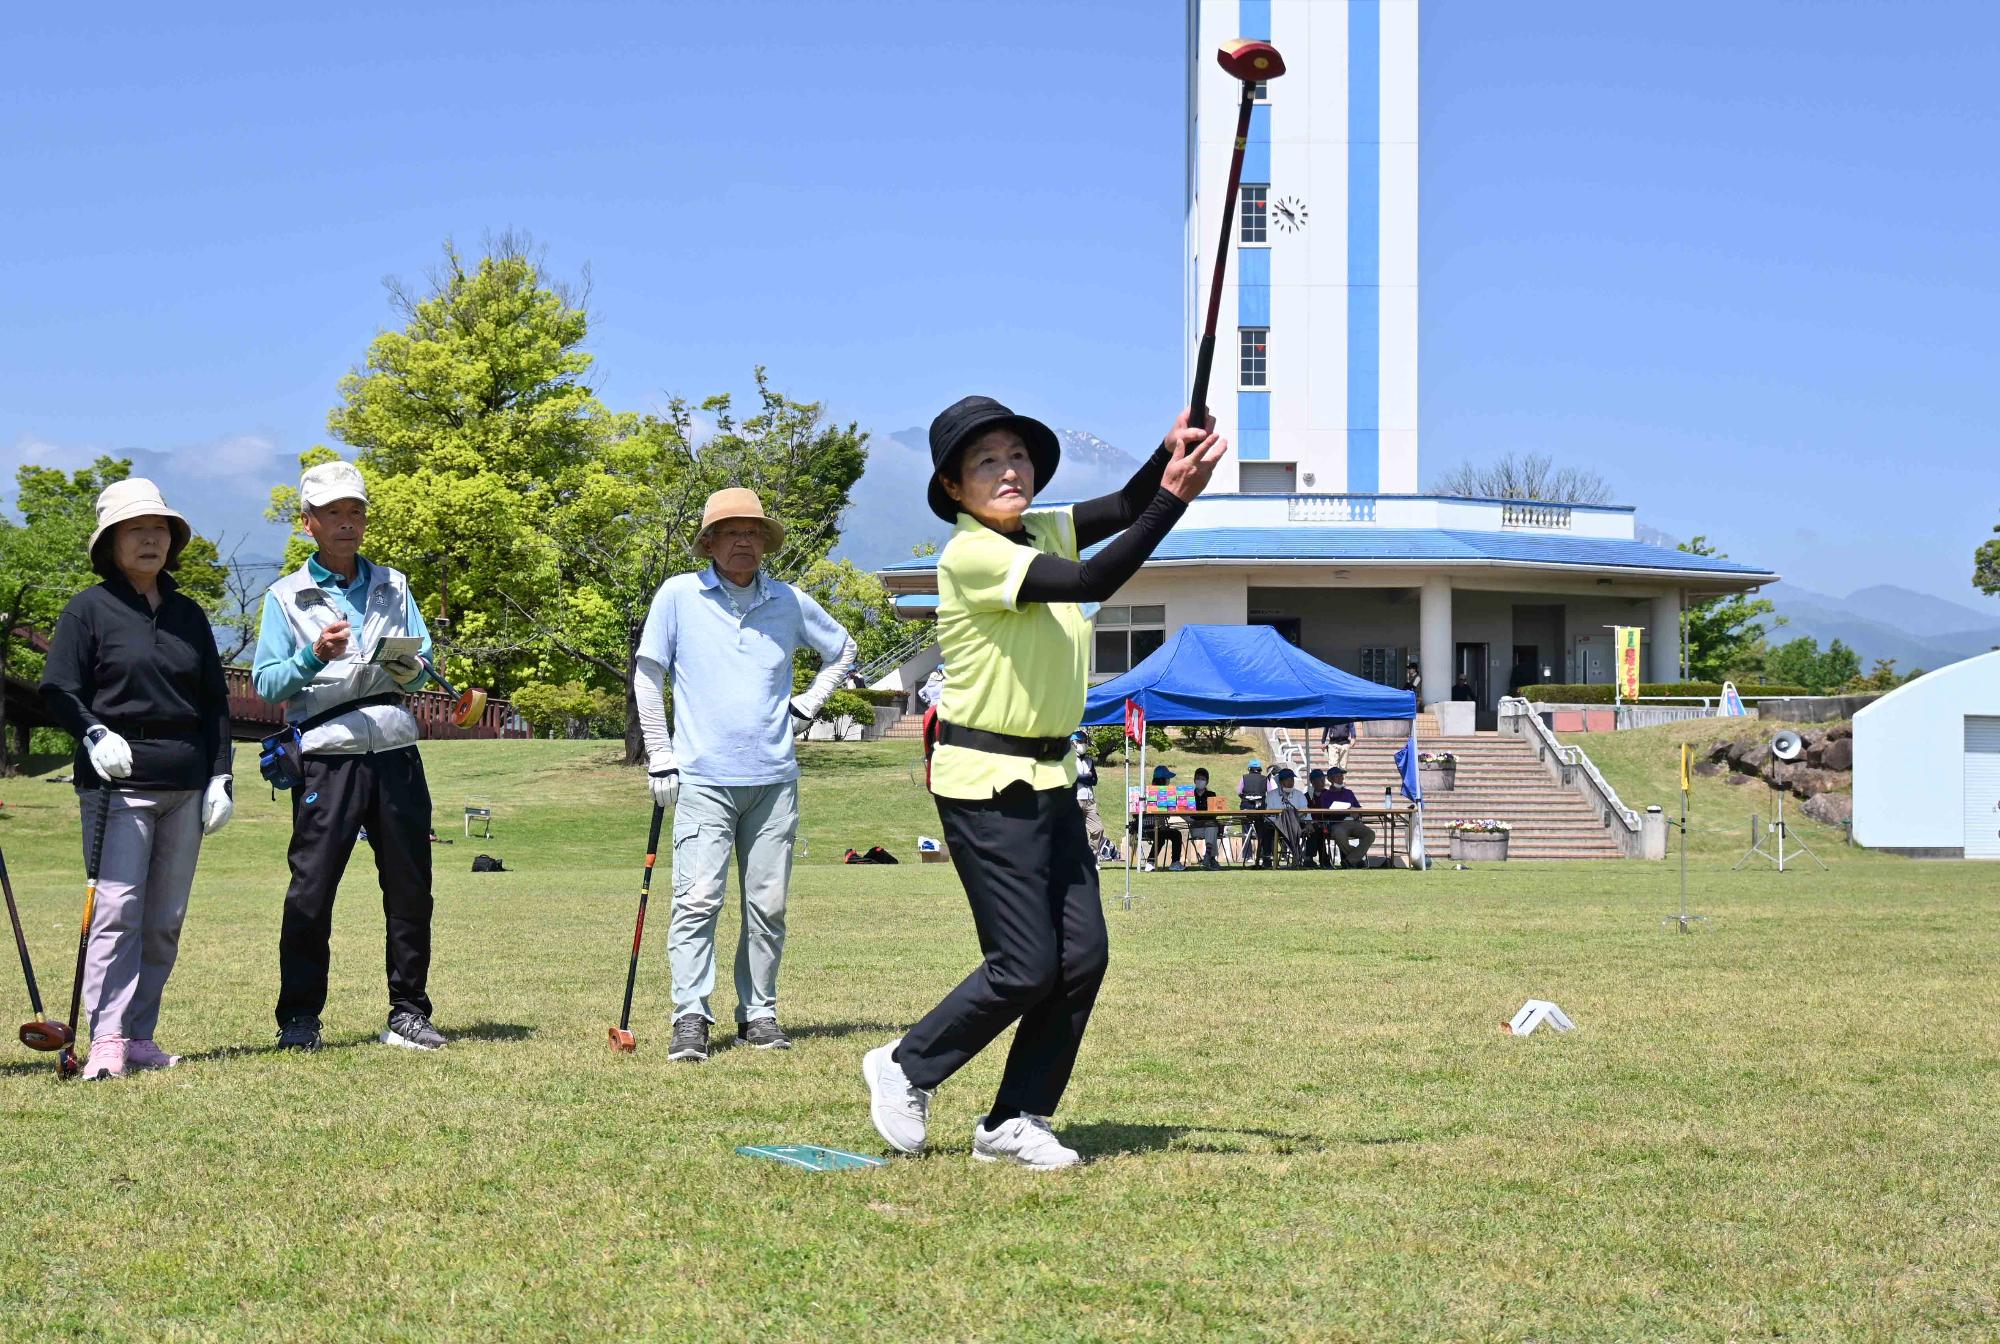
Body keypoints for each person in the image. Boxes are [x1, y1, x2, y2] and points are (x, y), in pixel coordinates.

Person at [863, 394, 1225, 1169]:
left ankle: (1012, 1121)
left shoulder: (1039, 528)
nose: (1008, 469)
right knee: (1024, 965)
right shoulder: (972, 553)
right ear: (954, 489)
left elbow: (1125, 505)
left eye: (1017, 455)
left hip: (1051, 776)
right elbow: (1095, 578)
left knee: (1082, 956)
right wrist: (1176, 500)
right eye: (985, 461)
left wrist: (1168, 452)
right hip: (985, 780)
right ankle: (904, 1064)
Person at [634, 488, 857, 1063]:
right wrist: (660, 753)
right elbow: (647, 675)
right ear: (709, 542)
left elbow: (843, 650)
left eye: (753, 532)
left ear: (764, 543)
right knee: (697, 899)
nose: (743, 541)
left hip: (773, 778)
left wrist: (809, 704)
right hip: (703, 776)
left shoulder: (787, 600)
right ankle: (690, 1017)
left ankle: (759, 1013)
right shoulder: (679, 595)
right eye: (731, 531)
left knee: (768, 903)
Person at [39, 479, 232, 1079]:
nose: (150, 538)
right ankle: (108, 1037)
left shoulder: (187, 615)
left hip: (185, 781)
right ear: (112, 543)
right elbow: (57, 689)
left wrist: (221, 776)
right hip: (117, 780)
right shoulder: (88, 608)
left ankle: (139, 1033)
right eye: (134, 529)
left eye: (159, 529)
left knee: (164, 917)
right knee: (118, 909)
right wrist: (94, 732)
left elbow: (216, 704)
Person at [254, 461, 443, 1052]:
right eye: (332, 513)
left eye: (355, 511)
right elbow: (265, 685)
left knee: (412, 888)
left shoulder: (395, 583)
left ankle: (408, 1012)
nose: (346, 523)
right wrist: (313, 655)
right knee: (311, 892)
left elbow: (422, 665)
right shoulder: (286, 596)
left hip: (394, 749)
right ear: (307, 523)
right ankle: (300, 1020)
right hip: (326, 759)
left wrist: (412, 666)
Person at [1131, 763, 1185, 871]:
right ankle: (1152, 862)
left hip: (1153, 827)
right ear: (1163, 780)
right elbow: (1135, 812)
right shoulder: (1148, 792)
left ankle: (1171, 862)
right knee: (1162, 834)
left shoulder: (1146, 791)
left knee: (1174, 834)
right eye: (1167, 779)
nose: (1169, 782)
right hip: (1146, 827)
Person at [1321, 766, 1375, 868]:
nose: (1341, 778)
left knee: (1370, 834)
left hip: (1353, 823)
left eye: (1341, 776)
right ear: (1330, 779)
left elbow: (1358, 808)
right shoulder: (1325, 795)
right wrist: (1346, 811)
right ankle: (1356, 859)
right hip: (1337, 824)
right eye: (1338, 776)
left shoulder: (1349, 792)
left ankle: (1350, 860)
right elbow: (1326, 812)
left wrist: (1355, 811)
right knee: (1339, 834)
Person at [1071, 731, 1111, 860]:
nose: (1084, 744)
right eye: (1081, 741)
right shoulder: (1068, 759)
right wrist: (1085, 777)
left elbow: (1094, 780)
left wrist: (1082, 777)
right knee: (1076, 832)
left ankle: (1091, 857)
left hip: (1089, 800)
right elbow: (1071, 777)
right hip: (1074, 799)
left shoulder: (1089, 761)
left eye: (1085, 741)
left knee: (1098, 829)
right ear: (1073, 743)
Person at [1238, 758, 1274, 868]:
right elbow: (1271, 792)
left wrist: (1247, 798)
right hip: (1261, 808)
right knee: (1262, 832)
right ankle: (1264, 855)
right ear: (1259, 769)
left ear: (1249, 769)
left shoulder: (1244, 778)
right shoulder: (1265, 779)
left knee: (1246, 831)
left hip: (1246, 807)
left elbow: (1239, 792)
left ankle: (1247, 856)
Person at [1188, 767, 1222, 870]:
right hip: (1196, 828)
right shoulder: (1189, 795)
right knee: (1212, 827)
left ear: (1207, 781)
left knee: (1211, 827)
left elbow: (1214, 813)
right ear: (1194, 780)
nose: (1200, 781)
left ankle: (1208, 856)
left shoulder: (1212, 795)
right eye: (1198, 778)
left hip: (1208, 826)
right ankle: (1211, 859)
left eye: (1202, 779)